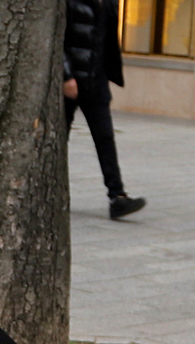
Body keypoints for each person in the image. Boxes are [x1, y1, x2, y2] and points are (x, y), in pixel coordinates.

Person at [64, 0, 144, 218]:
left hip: (96, 81)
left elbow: (107, 42)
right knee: (58, 140)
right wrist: (66, 75)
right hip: (70, 82)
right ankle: (49, 191)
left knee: (105, 137)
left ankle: (117, 196)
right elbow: (57, 40)